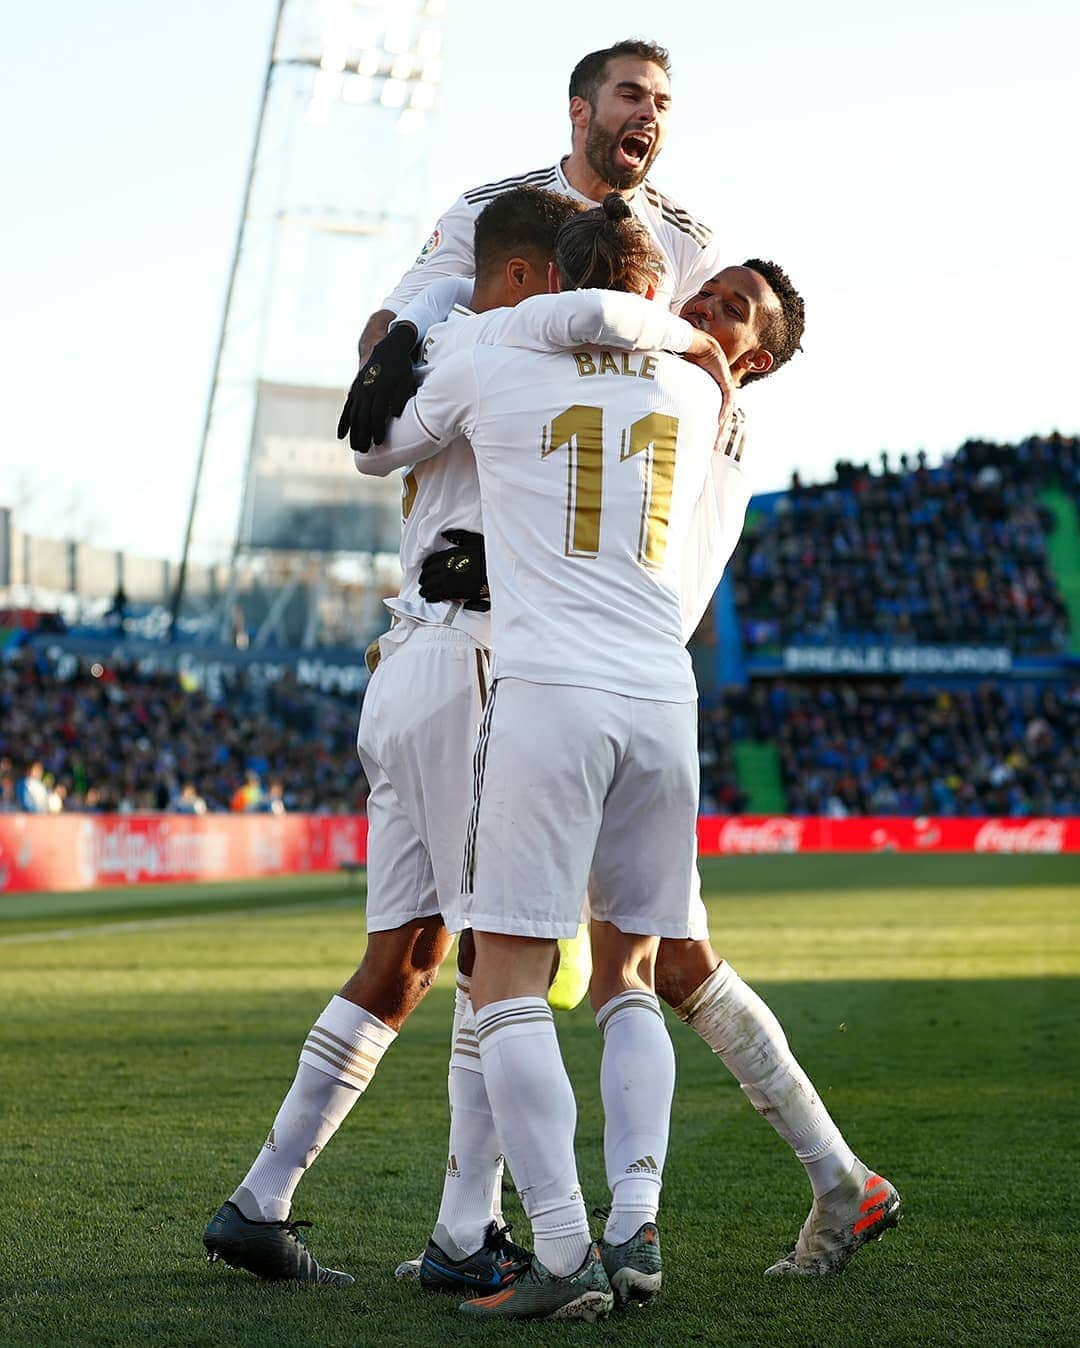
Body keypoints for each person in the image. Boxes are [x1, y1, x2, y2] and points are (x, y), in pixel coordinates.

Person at [202, 186, 714, 1289]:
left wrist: (421, 307)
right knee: (498, 958)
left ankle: (261, 1200)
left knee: (406, 959)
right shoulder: (533, 354)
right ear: (534, 277)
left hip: (404, 662)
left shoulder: (447, 348)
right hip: (485, 659)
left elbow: (376, 438)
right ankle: (468, 1236)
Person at [358, 195, 822, 1321]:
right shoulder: (701, 382)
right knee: (629, 977)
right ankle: (634, 1225)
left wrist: (428, 312)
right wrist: (691, 335)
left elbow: (380, 447)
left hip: (547, 691)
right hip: (663, 701)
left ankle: (560, 1251)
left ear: (544, 276)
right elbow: (661, 331)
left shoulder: (496, 350)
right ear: (655, 289)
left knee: (504, 974)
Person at [338, 37, 734, 454]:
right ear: (579, 110)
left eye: (662, 104)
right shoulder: (489, 210)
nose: (649, 113)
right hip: (480, 464)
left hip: (612, 472)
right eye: (630, 94)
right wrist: (376, 363)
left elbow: (718, 373)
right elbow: (398, 313)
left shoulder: (690, 244)